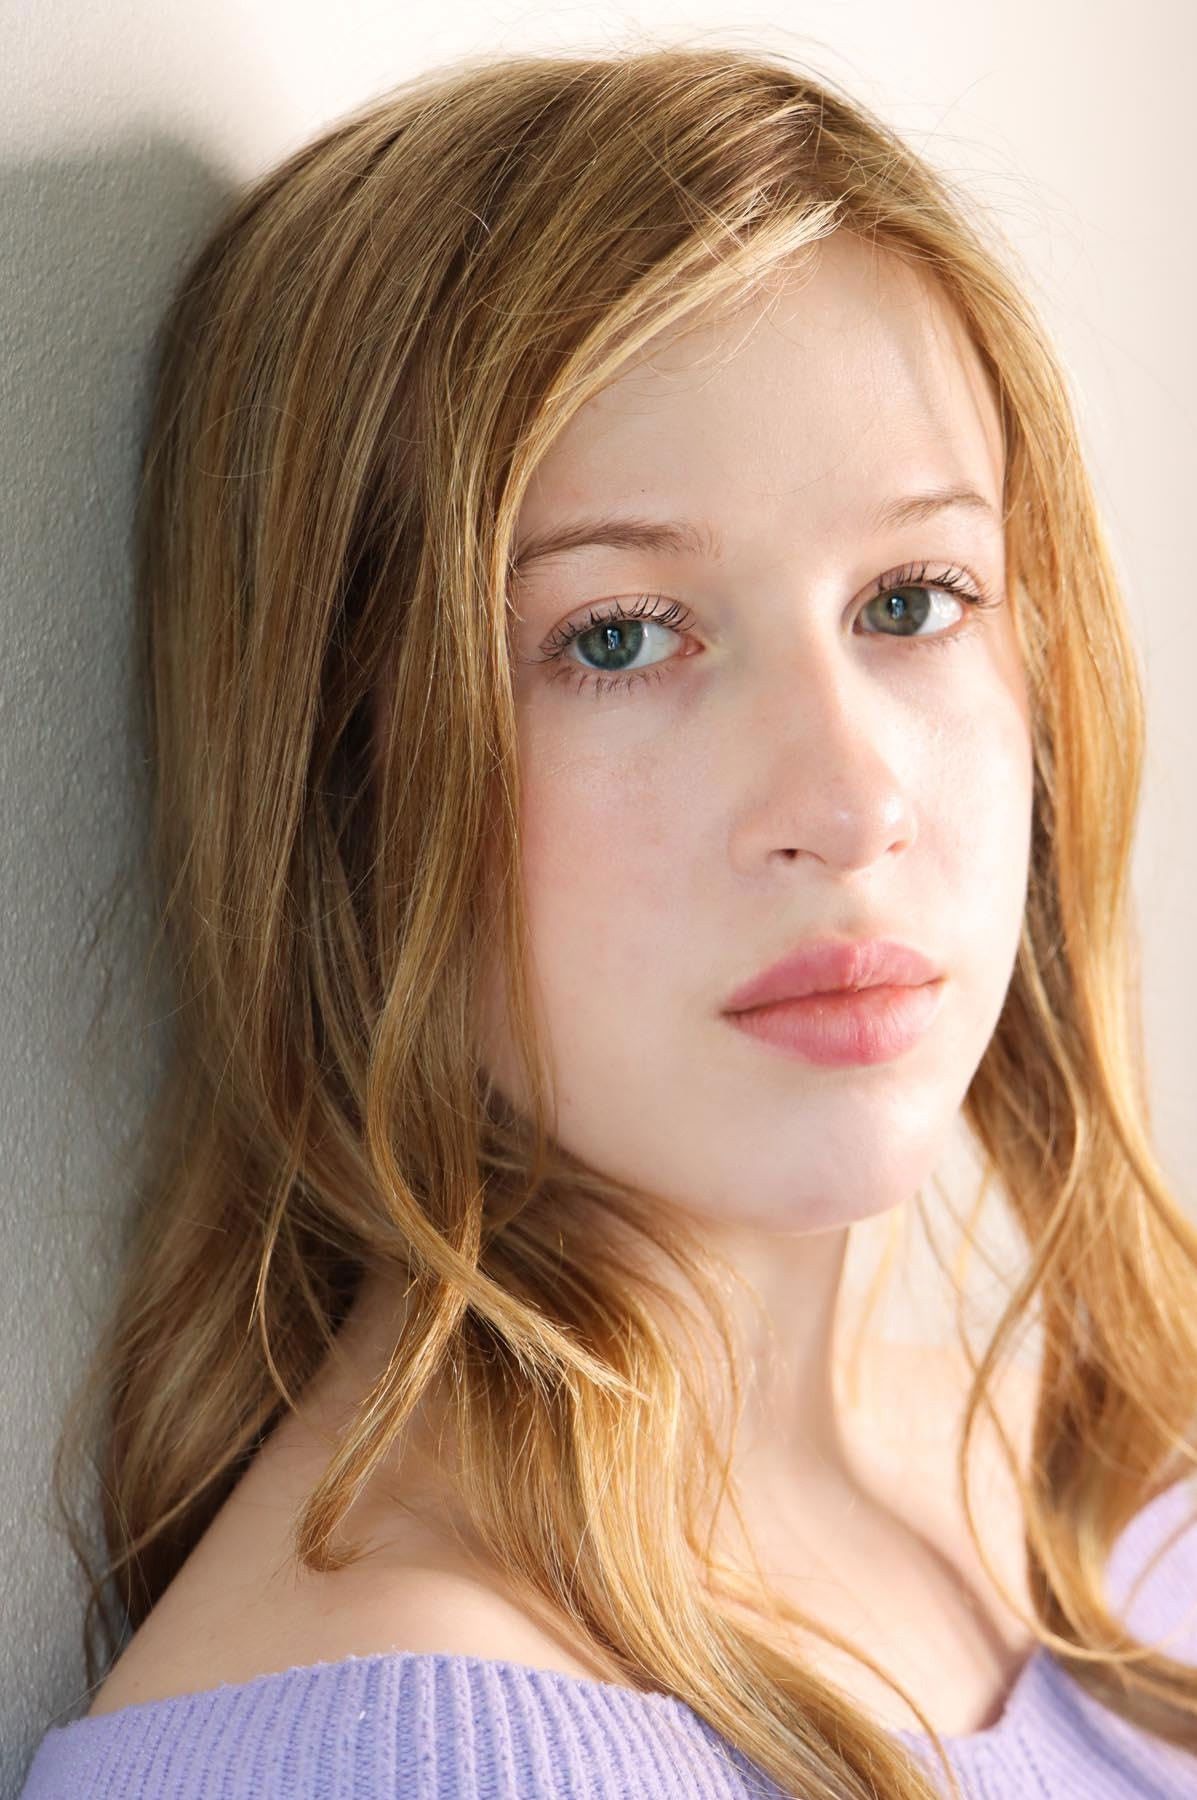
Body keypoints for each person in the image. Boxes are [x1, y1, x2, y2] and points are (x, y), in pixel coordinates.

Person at [16, 39, 1197, 1800]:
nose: (849, 801)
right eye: (620, 637)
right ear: (339, 772)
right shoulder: (381, 1757)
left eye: (911, 598)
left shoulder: (1114, 1499)